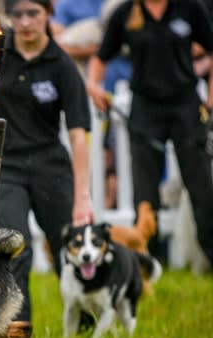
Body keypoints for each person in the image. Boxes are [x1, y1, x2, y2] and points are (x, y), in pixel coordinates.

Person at [0, 0, 94, 338]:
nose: (25, 22)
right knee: (14, 248)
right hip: (8, 166)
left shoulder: (62, 65)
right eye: (17, 15)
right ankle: (19, 334)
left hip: (51, 165)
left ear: (48, 14)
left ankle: (85, 324)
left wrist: (83, 198)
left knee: (70, 249)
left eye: (33, 13)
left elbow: (79, 133)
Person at [86, 0, 213, 268]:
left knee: (202, 190)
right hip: (145, 111)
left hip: (185, 108)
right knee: (144, 196)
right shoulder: (125, 13)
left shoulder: (190, 9)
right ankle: (149, 266)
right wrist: (93, 86)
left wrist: (211, 100)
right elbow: (100, 57)